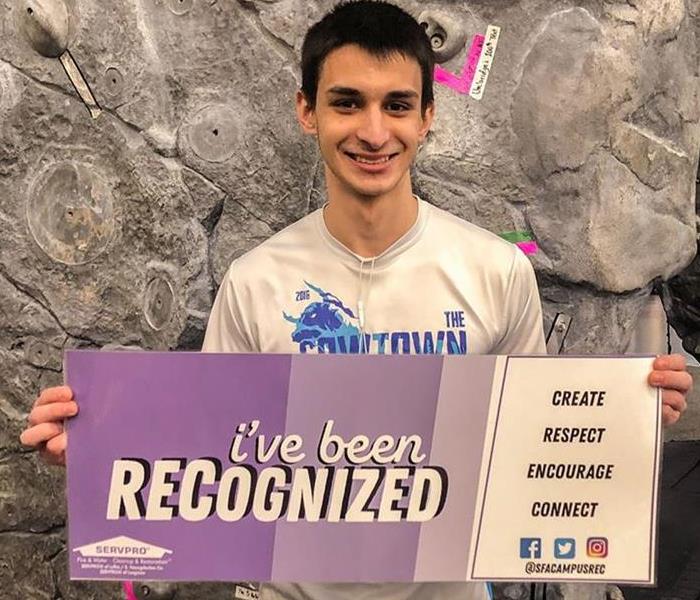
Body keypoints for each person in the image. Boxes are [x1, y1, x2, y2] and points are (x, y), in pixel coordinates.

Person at [20, 1, 693, 599]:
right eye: (347, 102)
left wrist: (620, 431)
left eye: (397, 105)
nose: (374, 132)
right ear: (306, 111)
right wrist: (102, 450)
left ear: (428, 116)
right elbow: (209, 461)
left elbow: (529, 453)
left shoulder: (496, 271)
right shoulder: (256, 282)